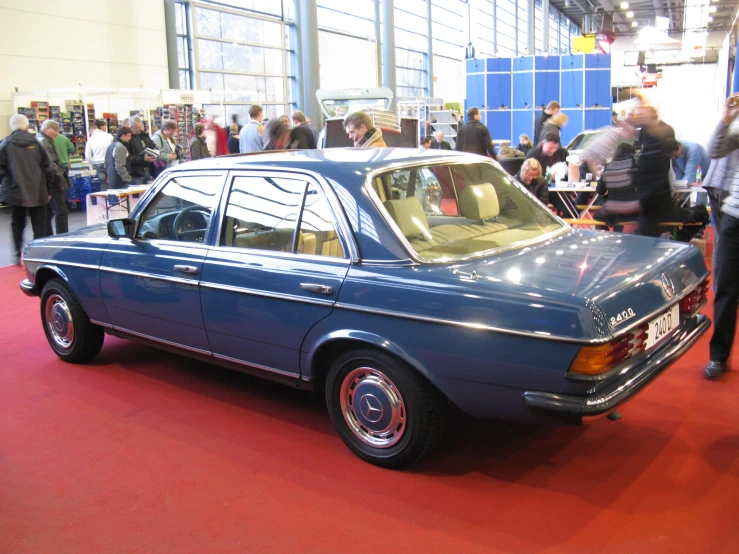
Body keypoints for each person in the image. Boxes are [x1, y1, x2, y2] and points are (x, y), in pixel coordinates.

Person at [702, 98, 739, 379]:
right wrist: (726, 119)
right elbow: (714, 150)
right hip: (734, 214)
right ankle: (718, 356)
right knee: (725, 286)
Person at [0, 114, 53, 264]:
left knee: (17, 224)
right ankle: (39, 253)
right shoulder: (37, 143)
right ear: (26, 126)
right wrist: (48, 190)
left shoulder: (5, 144)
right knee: (40, 224)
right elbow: (48, 169)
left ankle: (18, 254)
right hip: (38, 191)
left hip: (16, 192)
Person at [630, 104, 676, 237]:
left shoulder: (666, 130)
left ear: (649, 116)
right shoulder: (644, 130)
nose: (637, 119)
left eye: (640, 116)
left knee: (650, 223)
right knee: (648, 223)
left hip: (657, 185)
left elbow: (667, 155)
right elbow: (640, 149)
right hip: (646, 183)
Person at [595, 143, 641, 230]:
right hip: (633, 210)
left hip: (613, 210)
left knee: (597, 215)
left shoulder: (608, 167)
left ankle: (606, 235)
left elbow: (600, 191)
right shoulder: (635, 167)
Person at [37, 120, 69, 236]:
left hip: (45, 182)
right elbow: (52, 164)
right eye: (55, 130)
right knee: (61, 211)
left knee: (48, 213)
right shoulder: (45, 142)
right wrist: (60, 180)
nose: (57, 133)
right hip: (52, 182)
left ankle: (48, 237)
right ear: (47, 130)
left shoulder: (42, 140)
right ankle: (63, 236)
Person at [128, 116, 158, 184]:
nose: (141, 129)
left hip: (147, 171)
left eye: (141, 126)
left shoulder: (144, 135)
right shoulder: (128, 139)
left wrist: (155, 151)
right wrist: (142, 158)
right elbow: (127, 158)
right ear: (131, 127)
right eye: (138, 127)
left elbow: (153, 145)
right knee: (136, 193)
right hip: (135, 173)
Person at [85, 119, 113, 190]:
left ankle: (104, 199)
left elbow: (87, 155)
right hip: (110, 162)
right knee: (113, 183)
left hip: (98, 163)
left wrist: (93, 164)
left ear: (91, 131)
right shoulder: (109, 136)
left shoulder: (91, 139)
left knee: (103, 184)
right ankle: (114, 199)